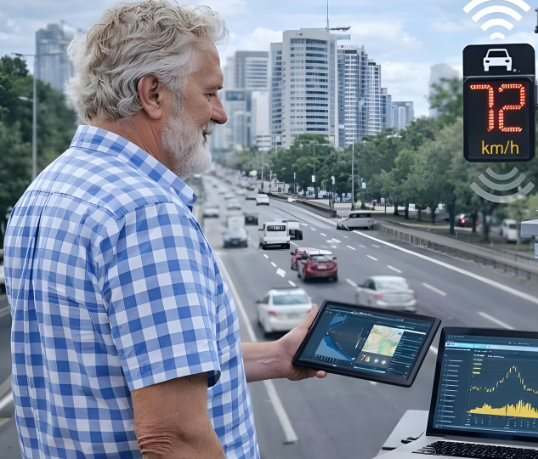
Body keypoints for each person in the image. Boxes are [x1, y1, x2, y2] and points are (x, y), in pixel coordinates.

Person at [2, 1, 324, 457]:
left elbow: (116, 369)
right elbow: (175, 439)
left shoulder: (43, 193)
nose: (220, 114)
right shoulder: (146, 213)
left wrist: (276, 356)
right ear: (153, 94)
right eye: (210, 93)